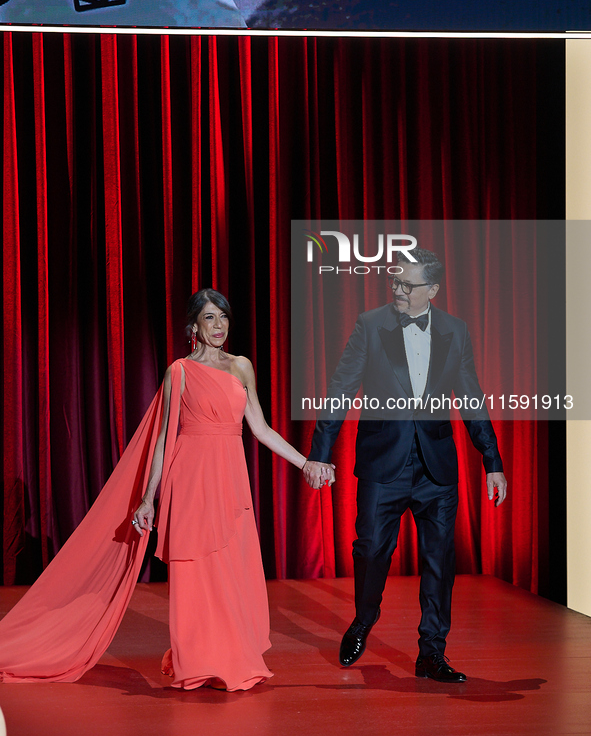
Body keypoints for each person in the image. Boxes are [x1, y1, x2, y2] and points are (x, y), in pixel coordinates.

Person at [0, 288, 334, 690]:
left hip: (230, 479)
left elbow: (260, 429)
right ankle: (197, 663)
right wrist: (147, 499)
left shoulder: (241, 367)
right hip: (190, 480)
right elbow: (163, 439)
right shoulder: (179, 371)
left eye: (223, 317)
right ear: (193, 326)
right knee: (195, 574)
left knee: (232, 571)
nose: (218, 326)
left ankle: (231, 660)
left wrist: (305, 463)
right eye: (209, 318)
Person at [305, 248, 507, 683]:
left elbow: (471, 397)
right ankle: (364, 618)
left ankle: (431, 653)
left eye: (406, 285)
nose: (397, 290)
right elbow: (340, 389)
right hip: (384, 463)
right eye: (394, 282)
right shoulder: (370, 325)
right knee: (372, 549)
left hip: (437, 467)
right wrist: (319, 454)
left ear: (432, 290)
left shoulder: (456, 330)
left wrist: (492, 460)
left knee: (439, 561)